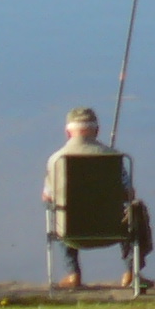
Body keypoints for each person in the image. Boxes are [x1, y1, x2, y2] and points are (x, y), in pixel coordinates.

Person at [43, 106, 112, 288]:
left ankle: (73, 272)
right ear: (97, 131)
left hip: (70, 231)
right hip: (112, 230)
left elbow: (47, 196)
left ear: (68, 132)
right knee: (136, 208)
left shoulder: (56, 159)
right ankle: (131, 271)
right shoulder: (115, 157)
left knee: (54, 208)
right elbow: (129, 193)